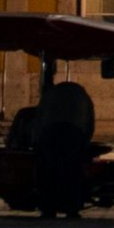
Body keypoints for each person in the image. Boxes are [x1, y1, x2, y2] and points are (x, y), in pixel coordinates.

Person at [33, 81, 95, 219]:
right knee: (72, 172)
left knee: (49, 172)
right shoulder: (83, 97)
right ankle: (71, 208)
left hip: (50, 133)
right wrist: (85, 141)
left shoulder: (49, 96)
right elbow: (90, 121)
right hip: (74, 133)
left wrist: (37, 140)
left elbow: (39, 117)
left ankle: (48, 208)